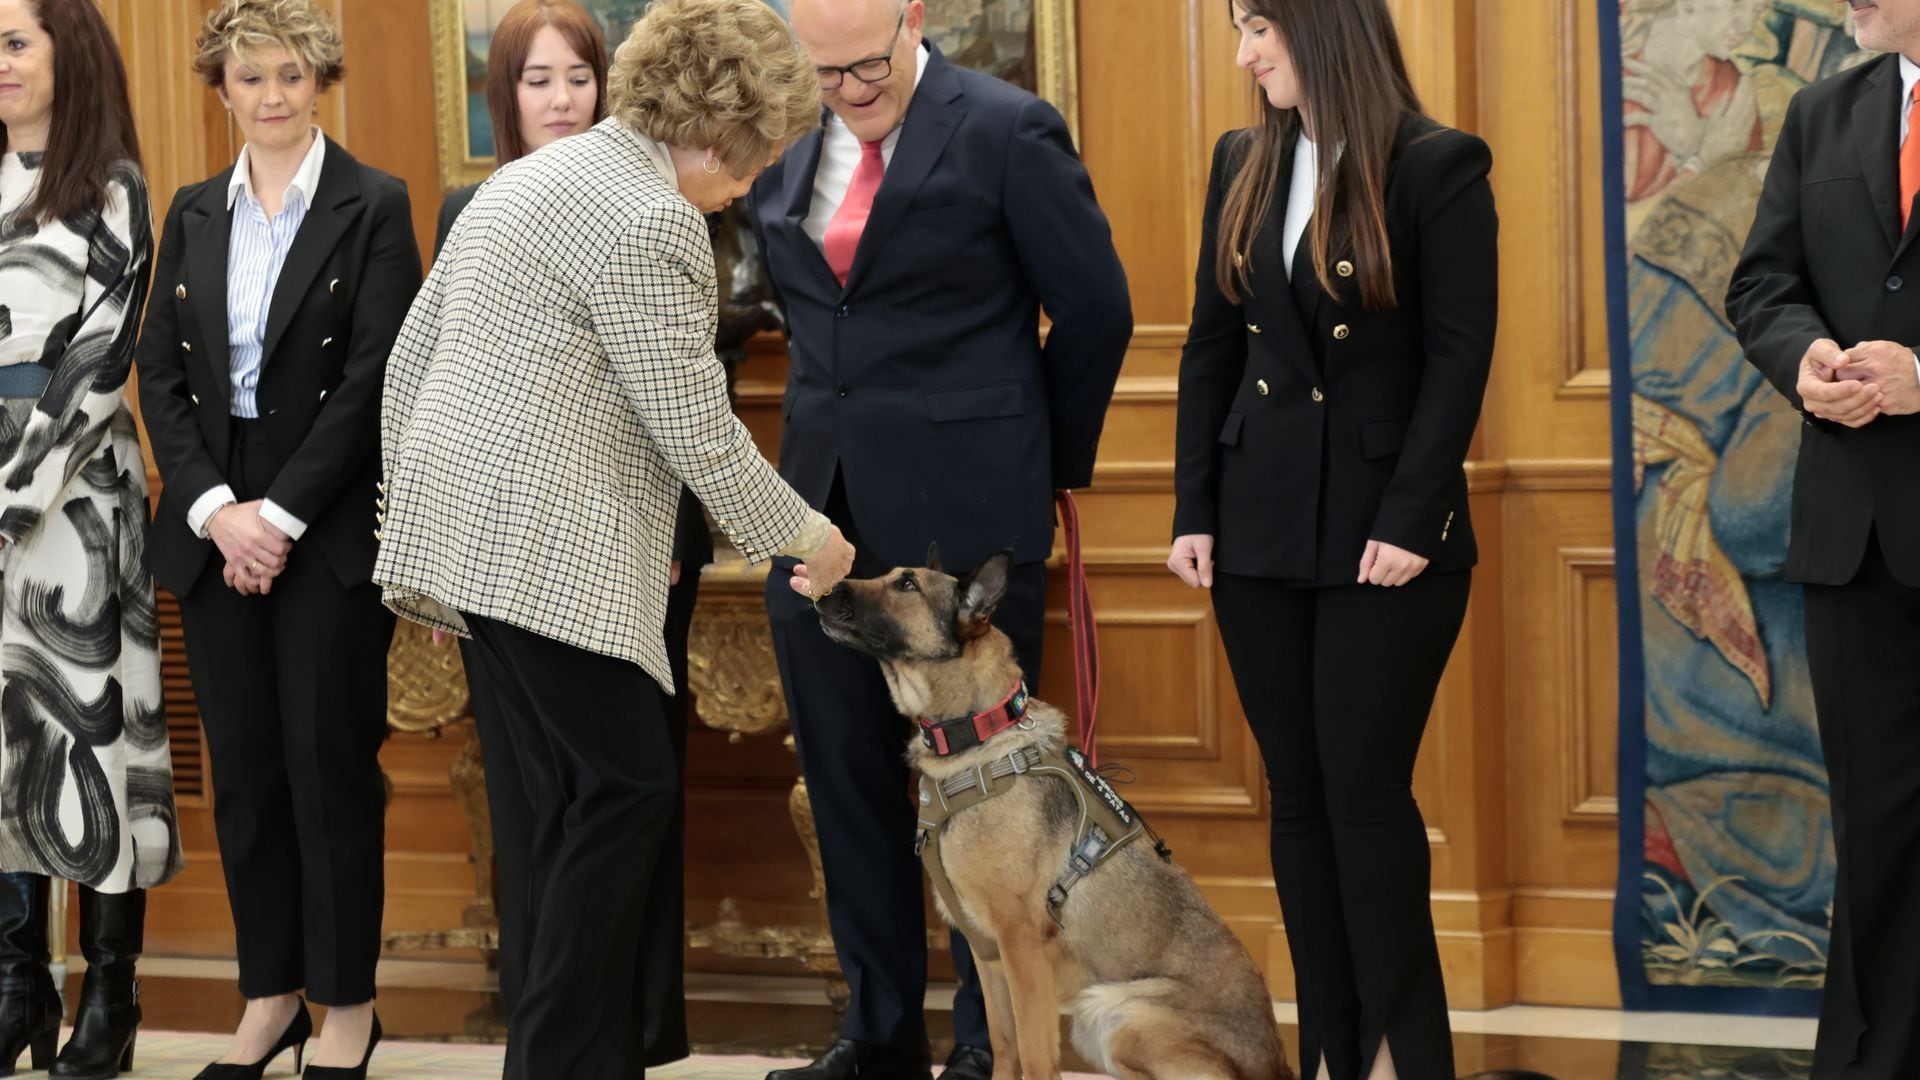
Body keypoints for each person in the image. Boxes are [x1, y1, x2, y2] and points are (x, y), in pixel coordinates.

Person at [374, 0, 854, 1074]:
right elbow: (694, 429)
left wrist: (423, 533)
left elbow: (410, 366)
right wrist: (808, 538)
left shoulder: (533, 180)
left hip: (474, 547)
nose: (754, 181)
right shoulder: (649, 218)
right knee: (629, 793)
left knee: (569, 816)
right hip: (544, 559)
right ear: (728, 124)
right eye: (761, 156)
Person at [748, 0, 1131, 1076]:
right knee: (848, 784)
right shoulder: (787, 137)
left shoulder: (1008, 128)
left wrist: (1034, 461)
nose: (847, 93)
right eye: (822, 73)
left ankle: (983, 1050)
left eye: (866, 65)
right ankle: (876, 1037)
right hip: (821, 519)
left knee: (990, 798)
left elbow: (1097, 309)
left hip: (964, 525)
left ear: (913, 15)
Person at [1166, 2, 1497, 1078]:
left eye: (1261, 27)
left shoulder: (1437, 166)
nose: (1245, 53)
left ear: (1326, 27)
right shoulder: (1243, 160)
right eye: (1239, 31)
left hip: (1384, 538)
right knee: (1299, 802)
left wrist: (1411, 518)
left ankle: (1412, 1056)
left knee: (1364, 795)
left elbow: (1458, 360)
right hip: (1258, 529)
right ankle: (1332, 1056)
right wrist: (1194, 508)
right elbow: (1209, 344)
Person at [133, 0, 422, 1075]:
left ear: (320, 82)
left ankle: (345, 1007)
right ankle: (271, 997)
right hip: (215, 523)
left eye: (292, 76)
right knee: (248, 774)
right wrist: (219, 513)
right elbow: (159, 372)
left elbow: (376, 378)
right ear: (222, 91)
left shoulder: (374, 204)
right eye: (251, 78)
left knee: (329, 769)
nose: (272, 97)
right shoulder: (193, 210)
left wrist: (282, 518)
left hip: (325, 520)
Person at [430, 1, 708, 1065]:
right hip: (509, 555)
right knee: (544, 804)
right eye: (537, 80)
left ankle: (631, 1036)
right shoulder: (477, 209)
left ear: (611, 86)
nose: (561, 99)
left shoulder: (667, 193)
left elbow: (681, 395)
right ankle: (552, 1041)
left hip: (647, 544)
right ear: (506, 94)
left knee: (634, 801)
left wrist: (676, 525)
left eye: (578, 78)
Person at [1726, 0, 1920, 1073]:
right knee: (1877, 823)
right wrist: (1801, 359)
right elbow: (1763, 282)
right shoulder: (1822, 111)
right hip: (1856, 532)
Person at [0, 1, 183, 1076]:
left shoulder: (112, 187)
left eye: (15, 42)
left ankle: (110, 997)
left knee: (90, 745)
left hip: (73, 512)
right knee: (5, 750)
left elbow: (99, 364)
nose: (2, 64)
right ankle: (20, 984)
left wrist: (10, 498)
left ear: (69, 53)